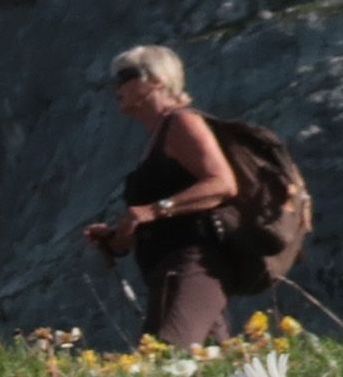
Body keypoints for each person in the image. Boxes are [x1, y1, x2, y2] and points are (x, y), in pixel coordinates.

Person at [83, 45, 243, 349]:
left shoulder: (181, 123)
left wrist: (154, 210)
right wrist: (118, 237)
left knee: (167, 359)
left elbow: (222, 183)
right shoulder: (157, 135)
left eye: (125, 76)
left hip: (195, 263)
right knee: (209, 364)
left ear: (156, 80)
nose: (116, 86)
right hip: (169, 269)